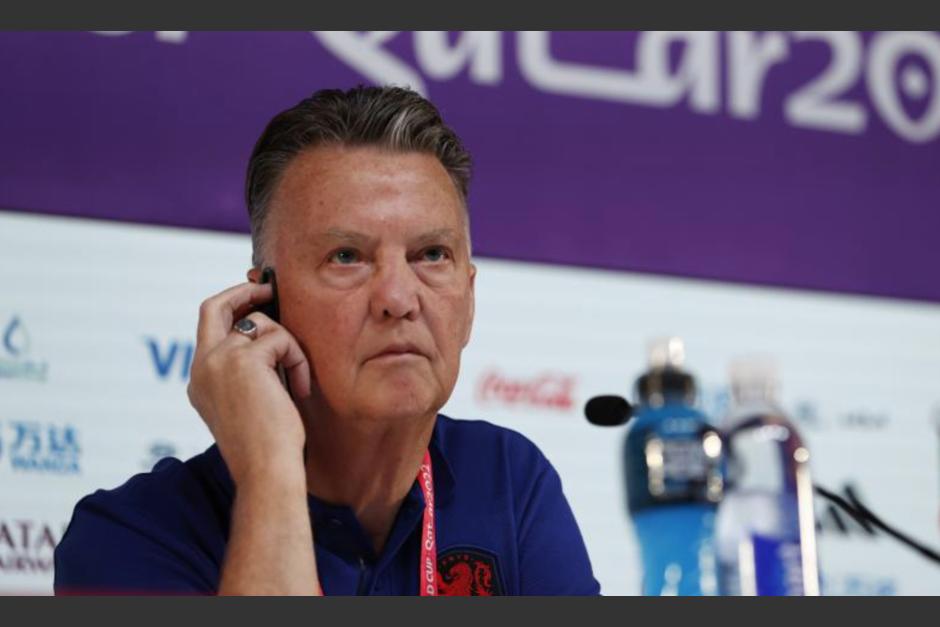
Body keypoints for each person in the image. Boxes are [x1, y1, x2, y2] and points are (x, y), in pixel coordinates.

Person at [53, 85, 601, 596]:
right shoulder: (129, 536)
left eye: (432, 254)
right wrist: (270, 470)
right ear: (262, 305)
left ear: (469, 300)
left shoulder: (509, 480)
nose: (398, 298)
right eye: (346, 257)